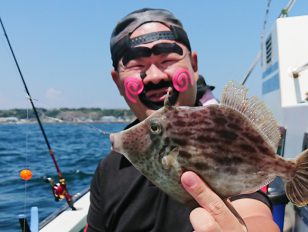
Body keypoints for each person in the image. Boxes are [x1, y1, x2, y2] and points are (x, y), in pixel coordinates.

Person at [86, 8, 279, 232]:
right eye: (136, 64)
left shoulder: (224, 136)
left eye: (167, 59)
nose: (155, 76)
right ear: (117, 81)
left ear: (194, 65)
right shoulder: (109, 167)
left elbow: (254, 214)